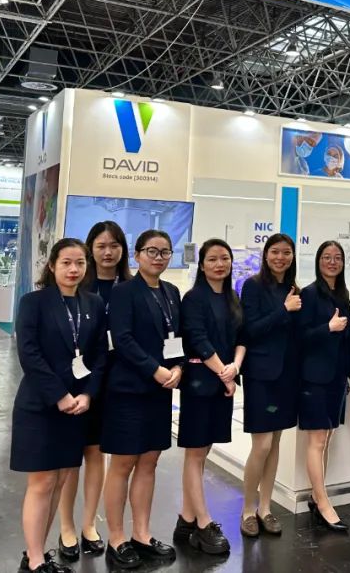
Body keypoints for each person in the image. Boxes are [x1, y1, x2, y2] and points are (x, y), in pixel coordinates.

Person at [10, 238, 108, 573]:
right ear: (52, 265)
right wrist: (59, 395)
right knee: (42, 482)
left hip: (78, 408)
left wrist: (88, 395)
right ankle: (36, 560)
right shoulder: (34, 302)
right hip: (40, 406)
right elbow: (29, 354)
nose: (73, 269)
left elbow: (99, 355)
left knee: (61, 480)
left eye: (80, 263)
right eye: (66, 262)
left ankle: (35, 554)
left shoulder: (93, 303)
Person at [101, 230, 183, 570]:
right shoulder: (123, 292)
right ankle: (117, 538)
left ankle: (142, 534)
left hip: (160, 391)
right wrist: (155, 370)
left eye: (165, 252)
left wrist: (177, 367)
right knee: (122, 464)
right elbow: (122, 339)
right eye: (152, 251)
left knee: (149, 462)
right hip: (128, 390)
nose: (158, 257)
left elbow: (176, 338)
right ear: (136, 255)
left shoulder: (171, 292)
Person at [57, 221, 132, 561]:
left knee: (97, 453)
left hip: (117, 382)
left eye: (114, 245)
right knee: (71, 456)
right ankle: (66, 526)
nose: (108, 252)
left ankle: (89, 524)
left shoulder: (129, 287)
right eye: (101, 245)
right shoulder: (75, 286)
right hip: (79, 383)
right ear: (90, 249)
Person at [176, 239, 245, 554]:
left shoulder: (233, 297)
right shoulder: (194, 298)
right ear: (202, 265)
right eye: (213, 259)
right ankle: (203, 522)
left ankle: (186, 518)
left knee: (202, 452)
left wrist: (234, 369)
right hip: (200, 383)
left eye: (225, 258)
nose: (220, 264)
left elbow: (242, 337)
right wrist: (224, 373)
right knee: (195, 453)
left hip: (222, 380)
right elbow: (198, 339)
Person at [239, 233, 302, 538]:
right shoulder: (253, 286)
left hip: (286, 375)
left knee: (275, 444)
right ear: (265, 255)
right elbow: (250, 330)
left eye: (286, 252)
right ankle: (247, 509)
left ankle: (265, 507)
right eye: (275, 252)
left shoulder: (293, 289)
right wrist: (283, 310)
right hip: (261, 375)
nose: (280, 257)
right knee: (261, 445)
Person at [299, 240, 350, 532]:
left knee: (326, 438)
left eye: (337, 257)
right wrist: (327, 328)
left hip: (336, 377)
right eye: (327, 257)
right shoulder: (308, 294)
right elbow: (300, 337)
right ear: (318, 261)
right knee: (317, 440)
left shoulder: (343, 294)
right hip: (314, 378)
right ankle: (322, 502)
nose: (332, 262)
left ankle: (316, 496)